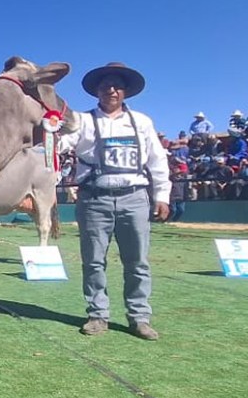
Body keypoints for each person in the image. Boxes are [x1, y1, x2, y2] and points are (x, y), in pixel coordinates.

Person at [58, 62, 169, 341]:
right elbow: (60, 145)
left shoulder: (142, 121)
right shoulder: (82, 121)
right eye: (106, 85)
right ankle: (98, 314)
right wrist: (50, 132)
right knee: (94, 261)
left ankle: (139, 317)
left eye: (117, 85)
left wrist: (162, 196)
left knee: (138, 262)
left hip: (135, 199)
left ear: (125, 91)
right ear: (97, 90)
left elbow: (157, 160)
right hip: (95, 199)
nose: (111, 89)